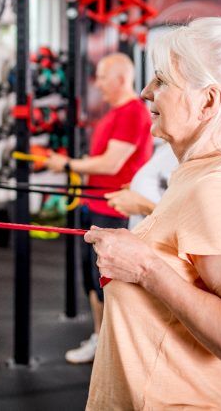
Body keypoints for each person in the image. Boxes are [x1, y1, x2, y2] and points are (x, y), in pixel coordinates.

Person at [84, 13, 221, 409]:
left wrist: (147, 268)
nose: (147, 92)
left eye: (163, 81)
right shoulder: (201, 174)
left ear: (208, 101)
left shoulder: (215, 187)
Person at [45, 53, 153, 364]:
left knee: (110, 282)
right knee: (92, 280)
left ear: (121, 79)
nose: (98, 83)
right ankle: (101, 338)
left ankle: (115, 347)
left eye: (103, 77)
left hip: (114, 209)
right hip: (93, 204)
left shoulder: (133, 113)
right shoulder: (113, 114)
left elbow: (111, 162)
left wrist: (66, 163)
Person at [105, 138, 178, 229]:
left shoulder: (188, 155)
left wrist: (143, 206)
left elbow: (185, 226)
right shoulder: (168, 147)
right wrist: (136, 187)